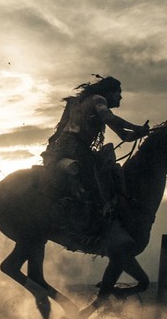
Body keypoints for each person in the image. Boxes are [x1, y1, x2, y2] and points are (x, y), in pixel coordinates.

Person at [42, 76, 149, 220]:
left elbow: (125, 136)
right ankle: (90, 212)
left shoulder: (97, 107)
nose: (121, 97)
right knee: (97, 174)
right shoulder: (99, 100)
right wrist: (136, 127)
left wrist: (140, 133)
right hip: (74, 146)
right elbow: (108, 118)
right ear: (110, 92)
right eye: (119, 93)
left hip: (71, 146)